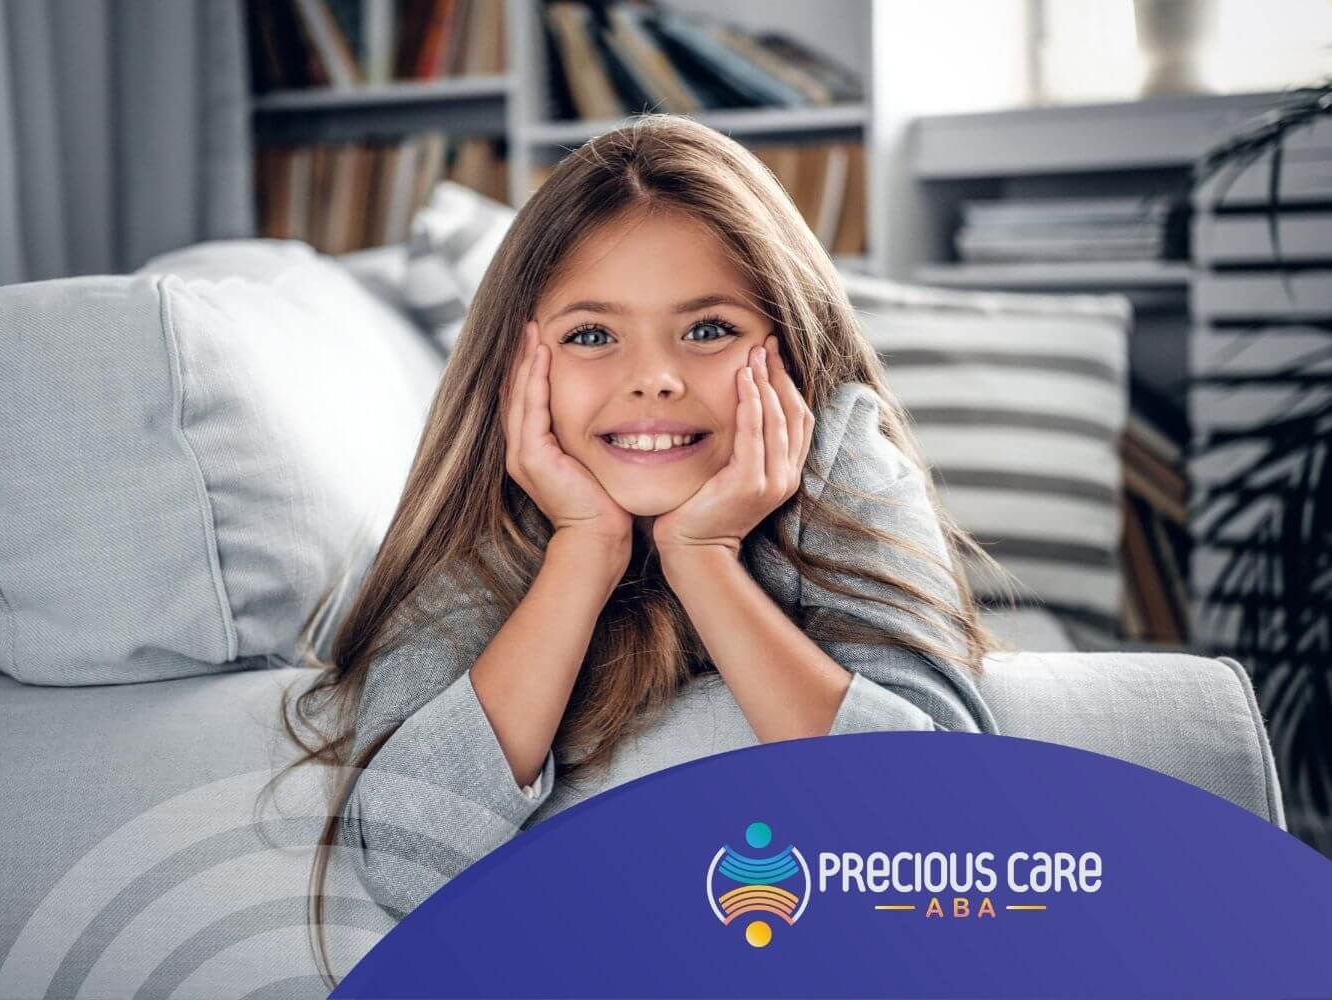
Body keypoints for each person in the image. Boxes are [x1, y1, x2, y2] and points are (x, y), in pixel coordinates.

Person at [273, 114, 1014, 986]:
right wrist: (583, 552)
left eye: (708, 330)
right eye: (593, 335)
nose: (654, 376)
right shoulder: (488, 508)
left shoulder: (836, 460)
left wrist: (704, 559)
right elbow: (403, 853)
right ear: (517, 366)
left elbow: (945, 830)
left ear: (790, 340)